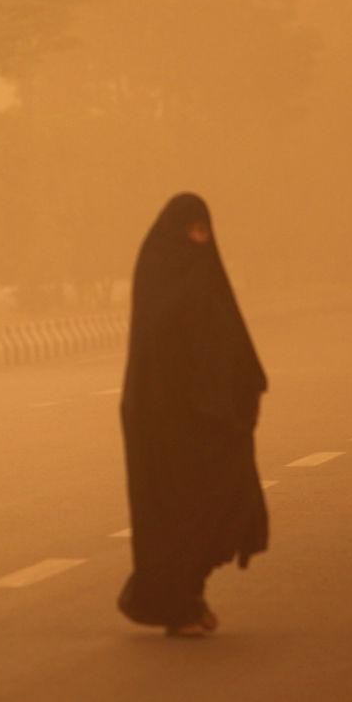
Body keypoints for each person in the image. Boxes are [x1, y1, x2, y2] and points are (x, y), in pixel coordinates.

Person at [117, 193, 269, 638]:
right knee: (172, 514)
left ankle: (190, 593)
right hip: (160, 419)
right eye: (192, 231)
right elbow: (160, 346)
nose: (200, 240)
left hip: (207, 418)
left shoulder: (206, 275)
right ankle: (176, 605)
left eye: (205, 230)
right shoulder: (158, 271)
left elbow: (229, 337)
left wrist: (239, 388)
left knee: (219, 503)